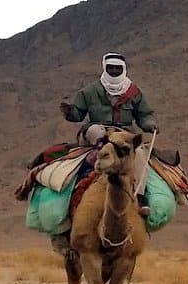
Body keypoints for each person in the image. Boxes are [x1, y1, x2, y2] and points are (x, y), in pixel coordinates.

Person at [60, 52, 156, 216]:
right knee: (97, 133)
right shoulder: (90, 91)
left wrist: (149, 125)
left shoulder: (133, 92)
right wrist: (70, 112)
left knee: (139, 154)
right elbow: (78, 115)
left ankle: (139, 197)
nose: (114, 71)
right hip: (97, 129)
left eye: (117, 68)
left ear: (123, 69)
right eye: (110, 68)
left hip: (124, 133)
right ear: (105, 68)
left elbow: (144, 115)